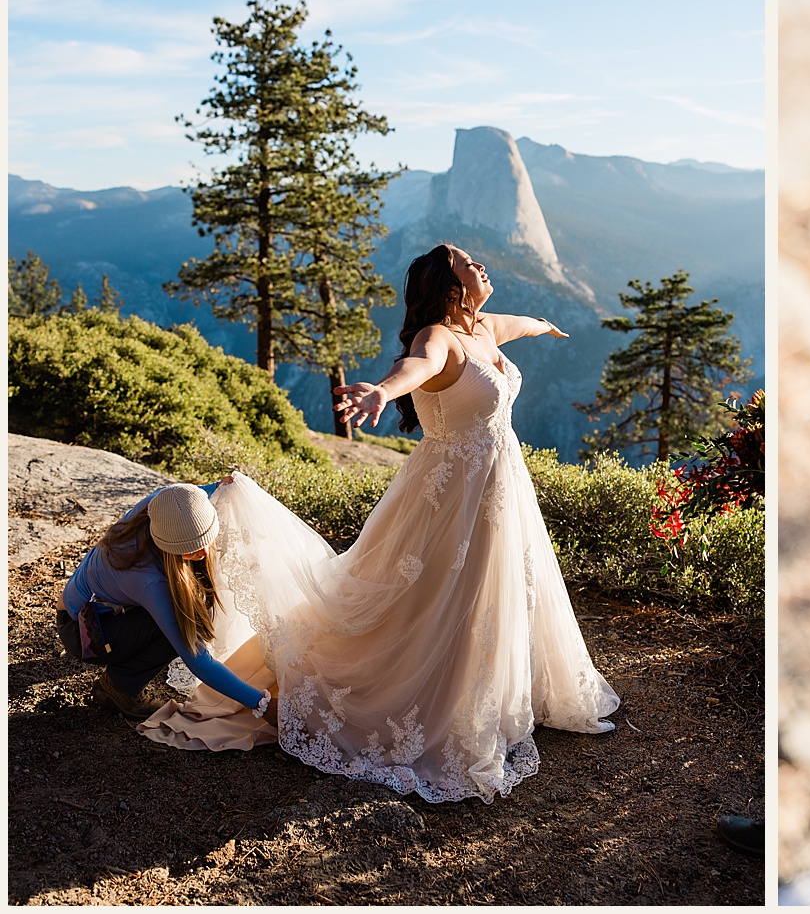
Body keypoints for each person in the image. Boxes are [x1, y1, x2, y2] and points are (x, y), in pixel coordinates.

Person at [140, 243, 621, 803]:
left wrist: (545, 326)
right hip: (448, 497)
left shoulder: (485, 326)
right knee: (438, 594)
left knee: (500, 589)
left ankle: (503, 691)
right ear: (449, 287)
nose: (480, 263)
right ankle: (427, 699)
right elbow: (414, 369)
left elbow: (515, 326)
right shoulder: (435, 339)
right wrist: (382, 389)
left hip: (498, 487)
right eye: (468, 261)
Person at [57, 481, 268, 721]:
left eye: (205, 540)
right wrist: (259, 703)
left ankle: (128, 658)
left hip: (92, 606)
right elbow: (197, 659)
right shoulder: (148, 582)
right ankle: (119, 686)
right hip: (84, 631)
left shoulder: (160, 504)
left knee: (190, 598)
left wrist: (221, 485)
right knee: (183, 623)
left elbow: (190, 496)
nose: (204, 553)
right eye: (192, 548)